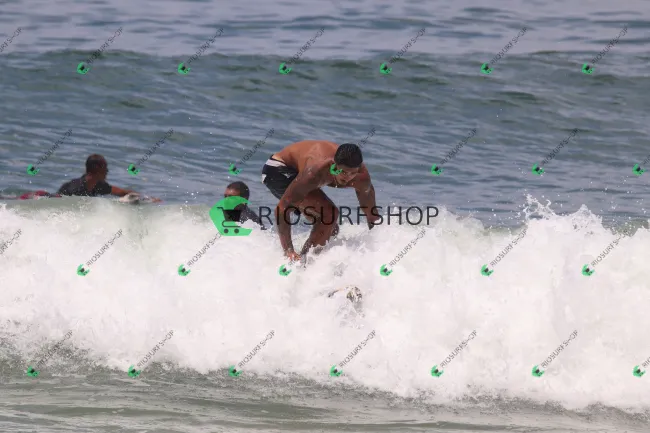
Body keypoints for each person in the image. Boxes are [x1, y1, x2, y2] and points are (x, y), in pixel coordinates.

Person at [261, 141, 379, 262]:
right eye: (343, 172)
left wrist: (377, 239)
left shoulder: (361, 179)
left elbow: (372, 216)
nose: (347, 177)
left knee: (331, 230)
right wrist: (288, 250)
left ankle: (309, 261)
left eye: (352, 173)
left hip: (300, 172)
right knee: (330, 214)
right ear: (333, 165)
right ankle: (303, 263)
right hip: (277, 170)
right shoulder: (315, 172)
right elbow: (282, 209)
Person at [57, 154, 161, 201]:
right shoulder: (74, 188)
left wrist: (147, 198)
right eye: (105, 168)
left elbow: (122, 192)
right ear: (97, 169)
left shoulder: (98, 185)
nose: (107, 171)